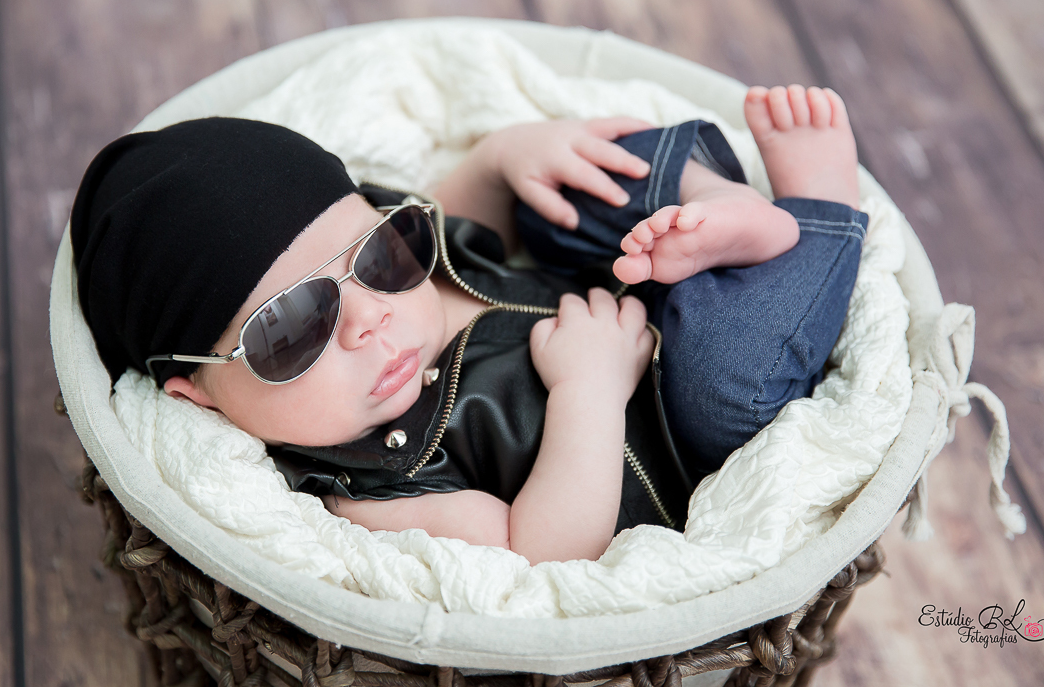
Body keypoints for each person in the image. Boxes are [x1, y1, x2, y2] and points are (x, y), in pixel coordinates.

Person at [70, 84, 866, 565]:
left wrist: (497, 158)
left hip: (641, 281)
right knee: (725, 386)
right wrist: (588, 391)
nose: (371, 321)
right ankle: (822, 208)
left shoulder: (420, 267)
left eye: (376, 254)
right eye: (292, 329)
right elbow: (543, 548)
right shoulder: (366, 490)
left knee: (555, 184)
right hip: (679, 430)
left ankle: (714, 207)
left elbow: (461, 216)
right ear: (197, 394)